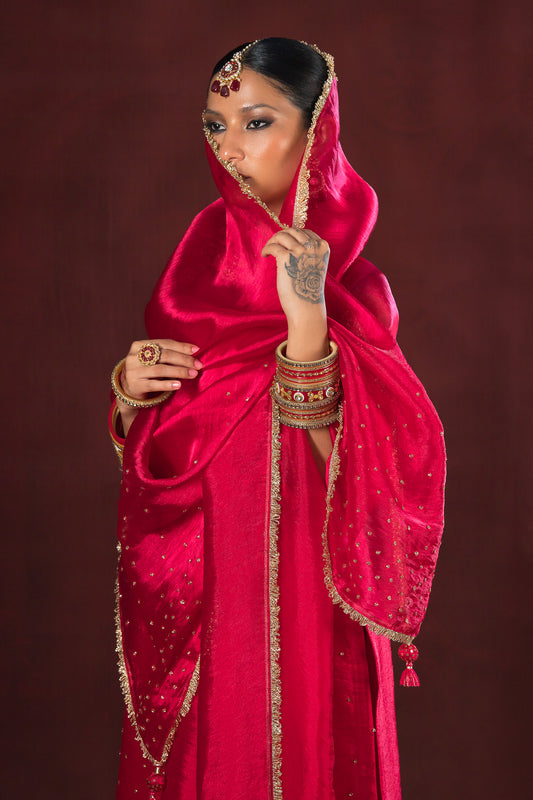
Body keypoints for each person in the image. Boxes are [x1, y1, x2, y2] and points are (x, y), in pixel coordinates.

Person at [109, 38, 445, 800]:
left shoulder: (355, 291)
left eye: (256, 122)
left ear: (316, 131)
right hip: (204, 587)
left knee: (303, 747)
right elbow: (183, 451)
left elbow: (379, 474)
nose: (229, 147)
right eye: (215, 125)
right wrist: (131, 396)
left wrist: (306, 321)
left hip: (306, 583)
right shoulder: (199, 268)